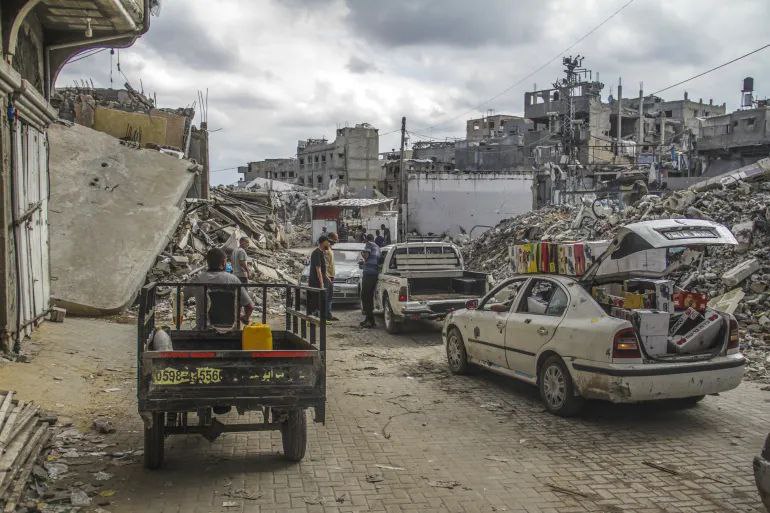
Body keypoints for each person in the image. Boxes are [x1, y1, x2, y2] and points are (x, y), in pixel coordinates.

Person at [185, 247, 254, 330]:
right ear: (224, 262)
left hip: (204, 330)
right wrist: (245, 318)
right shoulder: (233, 280)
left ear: (207, 262)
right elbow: (250, 306)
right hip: (230, 331)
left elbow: (180, 296)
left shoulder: (197, 279)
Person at [308, 235, 331, 321]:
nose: (329, 244)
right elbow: (318, 270)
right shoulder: (316, 253)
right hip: (316, 282)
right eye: (327, 242)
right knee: (315, 302)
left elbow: (323, 270)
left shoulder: (321, 252)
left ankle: (321, 320)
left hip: (321, 281)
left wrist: (327, 278)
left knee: (321, 302)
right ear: (323, 242)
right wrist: (321, 284)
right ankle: (312, 321)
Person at [359, 234, 381, 328]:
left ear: (366, 239)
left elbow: (366, 256)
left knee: (365, 295)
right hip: (375, 273)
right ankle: (370, 320)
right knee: (369, 296)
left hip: (368, 273)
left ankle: (369, 320)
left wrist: (362, 254)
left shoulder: (368, 244)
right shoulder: (378, 247)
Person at [325, 232, 340, 321]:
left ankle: (328, 314)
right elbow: (324, 264)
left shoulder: (330, 247)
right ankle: (325, 316)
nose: (336, 240)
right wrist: (327, 276)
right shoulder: (326, 247)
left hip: (331, 276)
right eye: (335, 239)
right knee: (326, 296)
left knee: (329, 296)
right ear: (330, 238)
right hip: (327, 276)